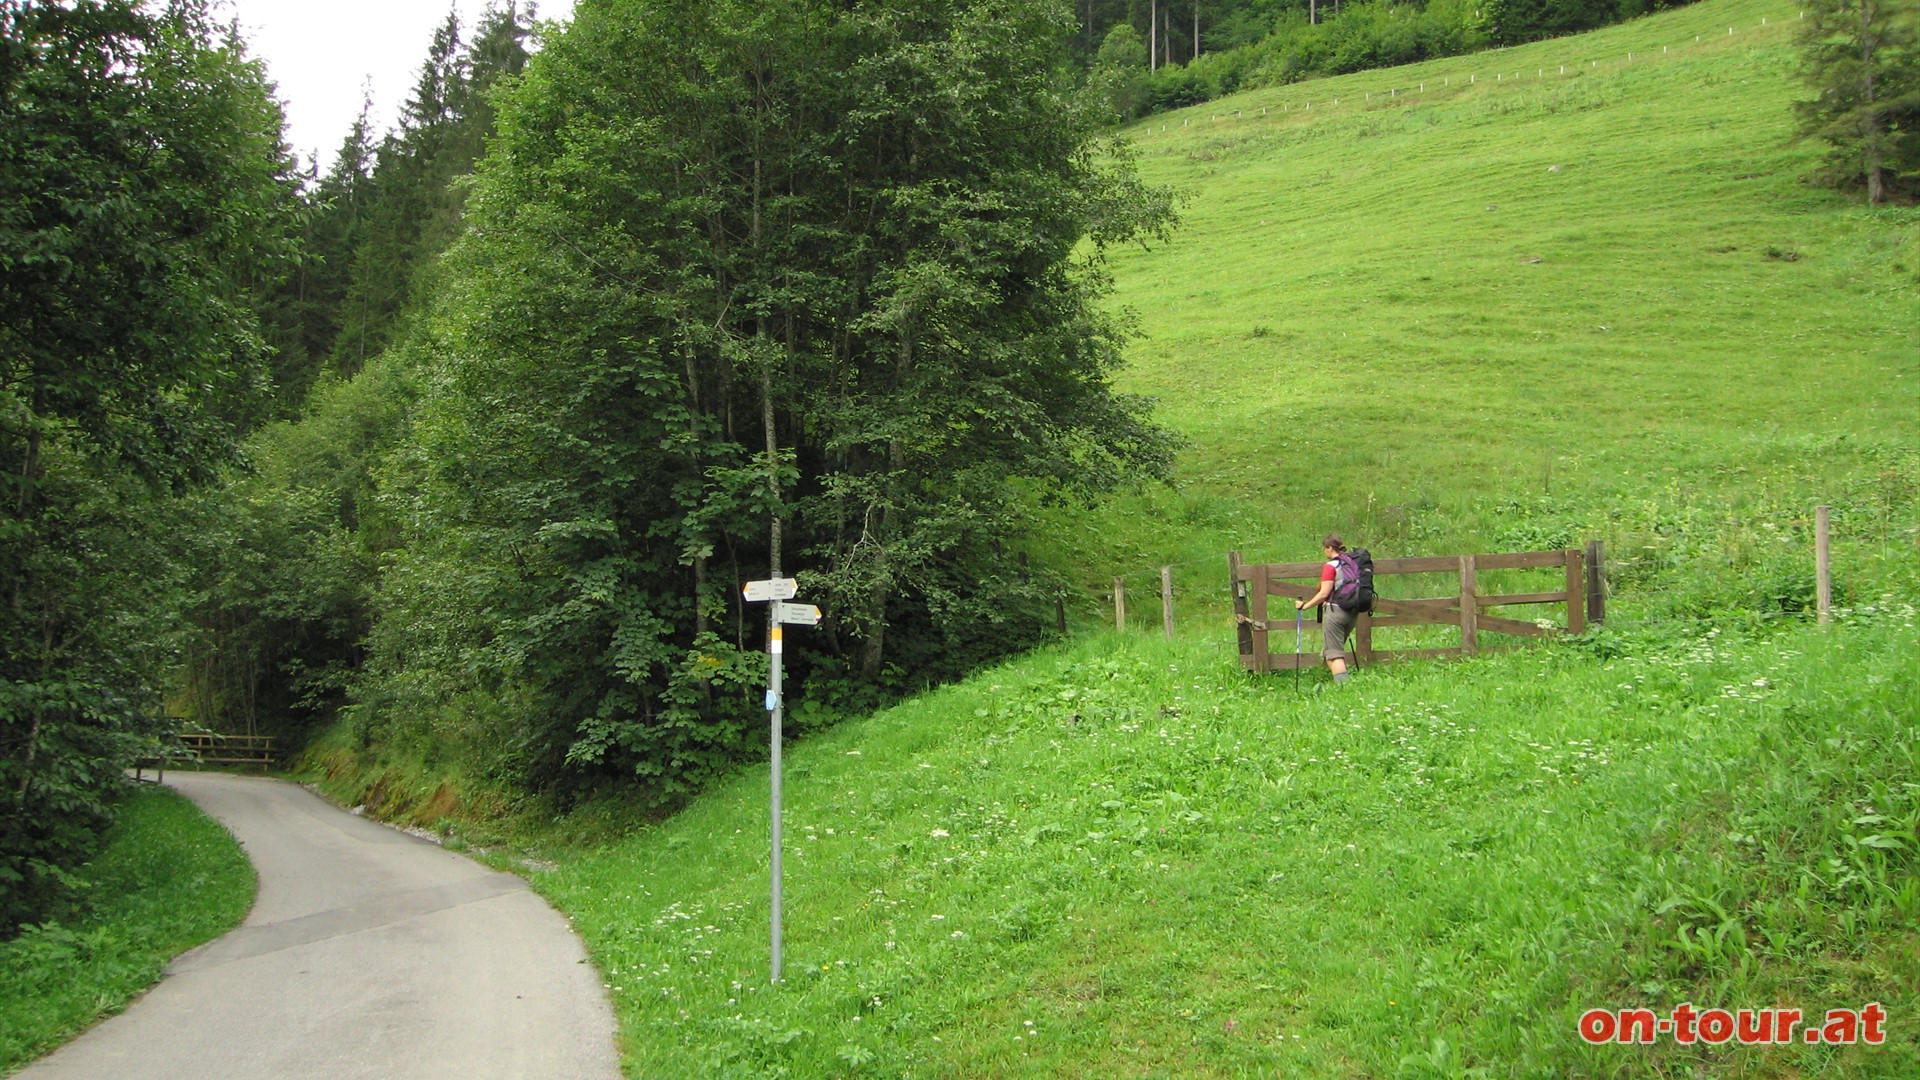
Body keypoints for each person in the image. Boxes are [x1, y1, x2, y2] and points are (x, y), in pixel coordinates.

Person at [1297, 533, 1358, 684]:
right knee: (1330, 649)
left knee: (1334, 654)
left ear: (1330, 548)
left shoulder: (1330, 566)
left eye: (1325, 548)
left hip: (1335, 611)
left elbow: (1324, 593)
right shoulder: (1352, 563)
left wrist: (1305, 606)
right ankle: (1324, 680)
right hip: (1353, 611)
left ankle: (1344, 688)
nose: (1324, 552)